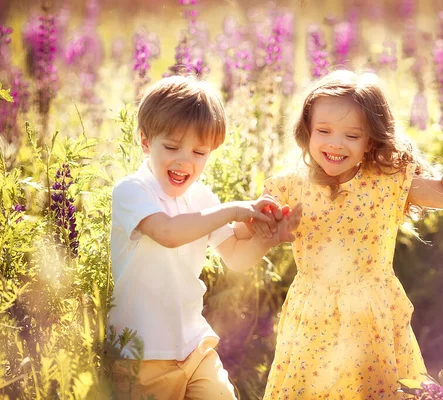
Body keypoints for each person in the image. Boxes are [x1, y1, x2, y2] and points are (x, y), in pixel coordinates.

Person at [257, 69, 443, 399]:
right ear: (307, 132)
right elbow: (259, 220)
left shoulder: (387, 179)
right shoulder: (290, 187)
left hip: (372, 315)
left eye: (352, 136)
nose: (335, 143)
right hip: (314, 316)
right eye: (324, 130)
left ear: (371, 139)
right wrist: (259, 217)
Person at [108, 75, 300, 400]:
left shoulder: (202, 198)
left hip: (194, 344)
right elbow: (168, 233)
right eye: (171, 147)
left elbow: (237, 256)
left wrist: (268, 236)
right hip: (143, 352)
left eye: (199, 152)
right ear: (144, 141)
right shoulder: (132, 191)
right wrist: (234, 211)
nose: (185, 161)